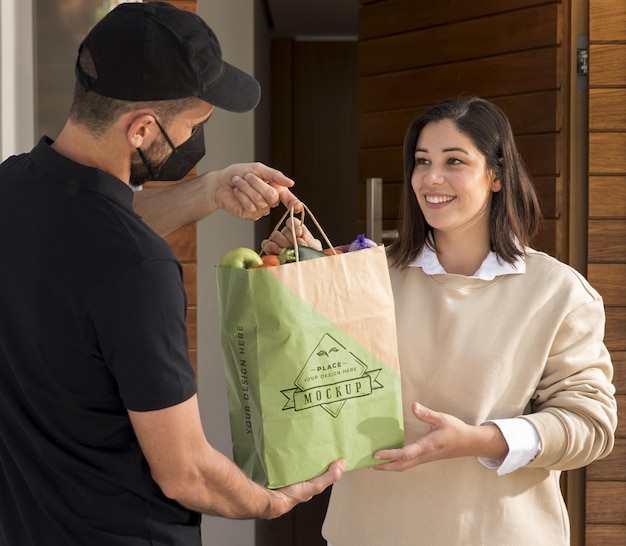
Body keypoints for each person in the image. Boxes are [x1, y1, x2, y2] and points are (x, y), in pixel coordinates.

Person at [0, 3, 345, 545]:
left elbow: (94, 238)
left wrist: (210, 189)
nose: (193, 142)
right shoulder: (138, 268)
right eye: (191, 126)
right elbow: (185, 471)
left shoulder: (12, 190)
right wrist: (275, 500)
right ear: (140, 129)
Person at [264, 96, 617, 545]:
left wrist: (480, 440)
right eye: (422, 161)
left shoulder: (558, 292)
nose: (431, 178)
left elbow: (590, 426)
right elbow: (307, 384)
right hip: (371, 531)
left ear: (496, 175)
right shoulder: (367, 276)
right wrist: (303, 274)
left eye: (454, 161)